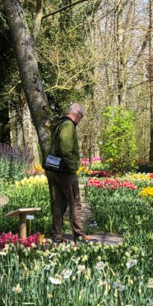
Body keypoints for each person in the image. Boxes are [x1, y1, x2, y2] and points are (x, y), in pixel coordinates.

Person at [43, 102, 86, 242]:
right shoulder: (68, 125)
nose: (80, 120)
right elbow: (66, 149)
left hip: (53, 169)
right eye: (81, 117)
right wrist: (74, 166)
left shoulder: (59, 124)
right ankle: (78, 235)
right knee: (75, 202)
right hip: (65, 171)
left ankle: (57, 235)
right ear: (77, 114)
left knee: (59, 204)